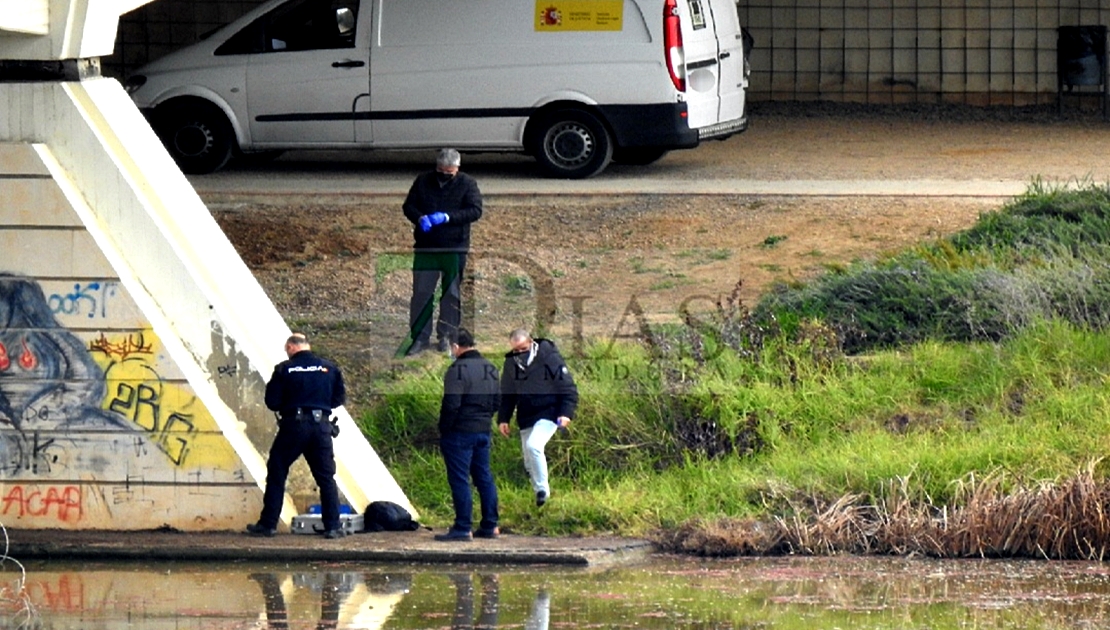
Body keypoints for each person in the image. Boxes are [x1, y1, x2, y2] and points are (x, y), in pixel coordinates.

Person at [247, 333, 348, 539]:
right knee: (326, 478)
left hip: (294, 426)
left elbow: (272, 402)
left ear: (291, 347)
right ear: (307, 346)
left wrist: (292, 404)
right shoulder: (329, 368)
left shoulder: (284, 369)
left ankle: (268, 525)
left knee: (277, 471)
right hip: (321, 428)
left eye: (287, 349)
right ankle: (333, 527)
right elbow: (338, 399)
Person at [400, 148, 484, 357]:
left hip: (454, 247)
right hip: (426, 247)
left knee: (451, 295)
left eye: (449, 172)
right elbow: (409, 206)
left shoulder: (467, 184)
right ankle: (419, 338)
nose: (444, 175)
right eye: (441, 171)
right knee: (421, 294)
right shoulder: (423, 181)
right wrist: (420, 218)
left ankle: (446, 336)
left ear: (457, 169)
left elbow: (475, 210)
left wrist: (447, 217)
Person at [497, 329, 578, 507]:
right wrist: (503, 418)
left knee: (534, 446)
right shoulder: (511, 363)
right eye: (516, 350)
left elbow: (568, 388)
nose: (519, 353)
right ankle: (539, 501)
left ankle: (543, 492)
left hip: (550, 412)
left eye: (523, 348)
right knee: (529, 462)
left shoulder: (549, 357)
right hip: (526, 414)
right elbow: (508, 394)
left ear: (531, 342)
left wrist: (566, 413)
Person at [435, 328, 501, 542]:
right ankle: (490, 525)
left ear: (455, 346)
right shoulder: (491, 368)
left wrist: (444, 428)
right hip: (483, 430)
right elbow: (498, 401)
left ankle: (463, 527)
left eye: (450, 348)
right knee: (484, 477)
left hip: (460, 432)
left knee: (460, 479)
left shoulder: (457, 370)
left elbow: (451, 404)